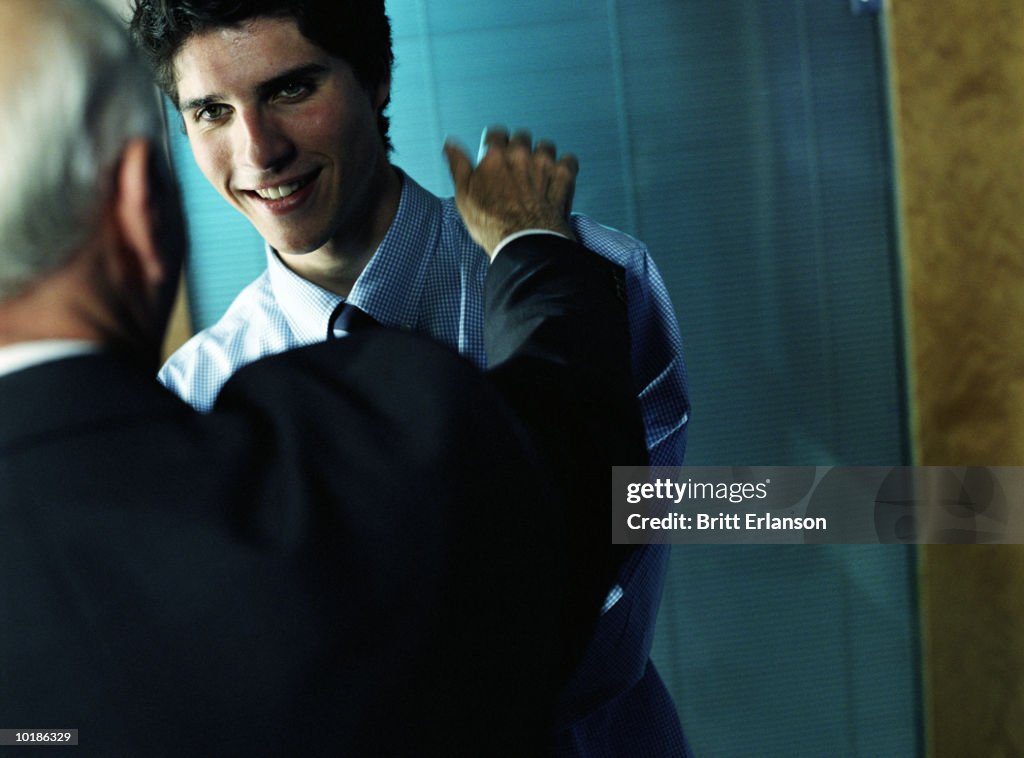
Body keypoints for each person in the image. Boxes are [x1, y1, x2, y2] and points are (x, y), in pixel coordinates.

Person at [0, 0, 647, 754]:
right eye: (210, 111)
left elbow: (655, 509)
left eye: (289, 90)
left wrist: (801, 501)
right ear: (156, 178)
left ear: (376, 79)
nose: (259, 151)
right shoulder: (191, 392)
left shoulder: (611, 276)